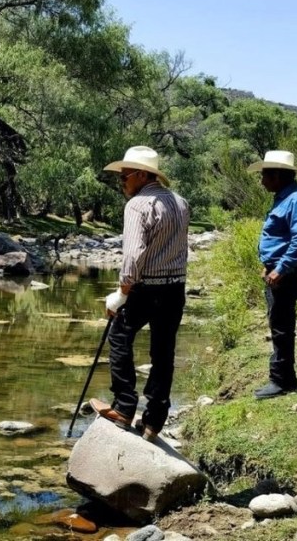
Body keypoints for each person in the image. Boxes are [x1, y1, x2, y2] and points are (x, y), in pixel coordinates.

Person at [89, 146, 190, 442]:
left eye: (125, 176)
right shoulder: (180, 202)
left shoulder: (137, 205)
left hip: (146, 288)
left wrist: (121, 292)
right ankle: (154, 422)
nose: (122, 181)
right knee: (163, 352)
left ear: (142, 175)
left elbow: (133, 255)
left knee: (119, 336)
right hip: (175, 287)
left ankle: (123, 407)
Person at [247, 150, 297, 400]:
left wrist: (280, 268)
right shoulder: (285, 197)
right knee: (279, 323)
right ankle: (285, 379)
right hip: (281, 270)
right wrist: (271, 264)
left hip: (287, 273)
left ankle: (281, 381)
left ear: (277, 175)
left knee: (281, 325)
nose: (261, 180)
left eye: (264, 175)